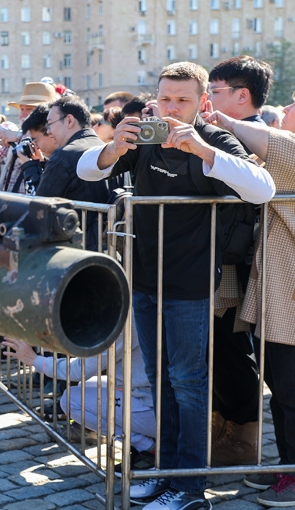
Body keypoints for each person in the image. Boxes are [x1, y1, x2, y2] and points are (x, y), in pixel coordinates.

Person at [77, 61, 276, 510]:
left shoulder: (214, 138)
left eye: (183, 100)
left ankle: (189, 486)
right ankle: (166, 472)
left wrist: (202, 150)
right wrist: (112, 148)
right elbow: (89, 171)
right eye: (165, 98)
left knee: (189, 383)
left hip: (191, 283)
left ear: (202, 102)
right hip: (144, 277)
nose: (171, 108)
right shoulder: (144, 136)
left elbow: (262, 188)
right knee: (159, 378)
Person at [204, 105, 295, 508]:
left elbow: (280, 150)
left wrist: (222, 123)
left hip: (290, 300)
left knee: (292, 389)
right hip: (279, 299)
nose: (286, 112)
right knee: (281, 386)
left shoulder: (286, 152)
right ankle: (289, 463)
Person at [205, 55, 275, 466]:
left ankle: (243, 436)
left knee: (233, 351)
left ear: (242, 95)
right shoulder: (228, 134)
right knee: (220, 349)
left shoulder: (261, 138)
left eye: (214, 91)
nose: (207, 100)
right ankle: (225, 427)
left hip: (248, 262)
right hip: (228, 259)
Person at [2, 328, 157, 471]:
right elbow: (92, 349)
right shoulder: (135, 310)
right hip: (150, 396)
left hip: (155, 409)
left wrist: (35, 360)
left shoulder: (126, 324)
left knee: (72, 400)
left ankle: (148, 447)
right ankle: (148, 443)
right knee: (86, 387)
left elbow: (79, 369)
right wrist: (43, 342)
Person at [36, 96, 111, 250]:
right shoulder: (111, 152)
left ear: (69, 120)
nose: (48, 132)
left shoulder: (63, 156)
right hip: (113, 254)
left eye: (50, 124)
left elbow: (39, 210)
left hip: (74, 254)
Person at [0, 82, 60, 192]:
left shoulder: (54, 141)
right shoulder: (13, 137)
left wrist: (18, 136)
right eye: (21, 109)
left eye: (29, 109)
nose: (23, 114)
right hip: (8, 207)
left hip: (31, 207)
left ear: (46, 113)